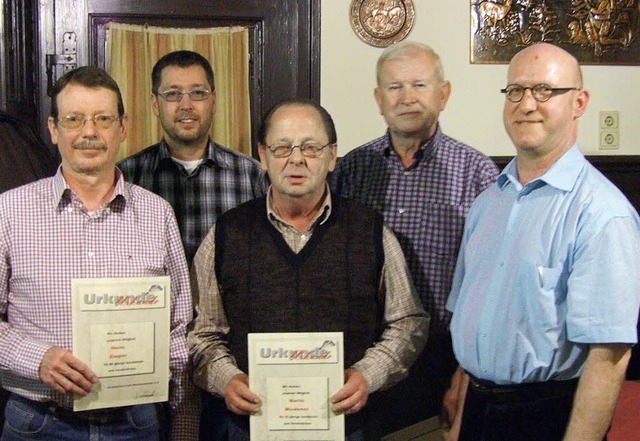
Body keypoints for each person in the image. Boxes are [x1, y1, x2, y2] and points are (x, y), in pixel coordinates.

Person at [188, 99, 429, 441]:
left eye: (311, 147)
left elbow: (408, 322)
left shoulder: (370, 231)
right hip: (249, 426)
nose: (296, 158)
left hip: (347, 426)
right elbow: (201, 332)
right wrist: (225, 378)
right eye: (283, 147)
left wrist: (367, 375)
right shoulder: (228, 233)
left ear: (332, 156)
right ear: (263, 155)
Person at [445, 42, 640, 441]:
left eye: (545, 90)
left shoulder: (602, 213)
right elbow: (475, 325)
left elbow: (609, 357)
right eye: (515, 90)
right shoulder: (487, 202)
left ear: (579, 102)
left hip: (547, 418)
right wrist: (464, 419)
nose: (526, 103)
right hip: (478, 412)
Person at [0, 66, 198, 441]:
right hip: (38, 423)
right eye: (74, 119)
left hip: (136, 424)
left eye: (102, 119)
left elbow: (181, 328)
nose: (89, 132)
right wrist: (36, 359)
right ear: (54, 128)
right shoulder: (9, 212)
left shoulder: (157, 215)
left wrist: (175, 404)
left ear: (122, 127)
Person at [331, 41, 498, 433]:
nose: (407, 98)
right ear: (378, 98)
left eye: (420, 85)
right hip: (365, 359)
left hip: (444, 358)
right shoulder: (352, 169)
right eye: (394, 87)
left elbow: (489, 283)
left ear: (444, 94)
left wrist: (464, 374)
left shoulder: (478, 174)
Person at [118, 50, 266, 266]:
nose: (186, 105)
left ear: (213, 101)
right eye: (172, 94)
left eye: (198, 93)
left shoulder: (252, 175)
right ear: (155, 104)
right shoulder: (126, 177)